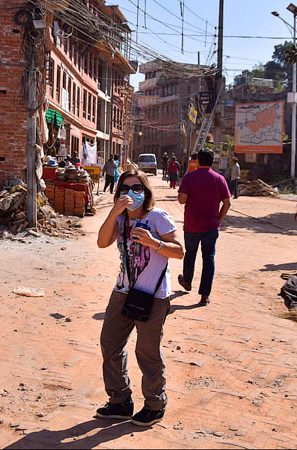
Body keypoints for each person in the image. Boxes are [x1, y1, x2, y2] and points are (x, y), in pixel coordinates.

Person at [95, 169, 184, 427]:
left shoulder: (158, 217)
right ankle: (120, 401)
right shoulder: (120, 219)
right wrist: (114, 211)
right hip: (122, 292)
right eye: (125, 188)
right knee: (109, 343)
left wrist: (154, 243)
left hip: (153, 296)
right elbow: (102, 242)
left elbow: (179, 251)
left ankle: (155, 404)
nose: (130, 193)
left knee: (146, 350)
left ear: (145, 193)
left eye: (136, 188)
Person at [177, 149, 231, 306]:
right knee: (208, 258)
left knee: (190, 253)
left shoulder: (189, 177)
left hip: (192, 225)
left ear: (198, 161)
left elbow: (182, 200)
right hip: (211, 226)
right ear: (212, 161)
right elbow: (227, 203)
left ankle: (187, 281)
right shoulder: (219, 179)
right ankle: (204, 295)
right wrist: (218, 219)